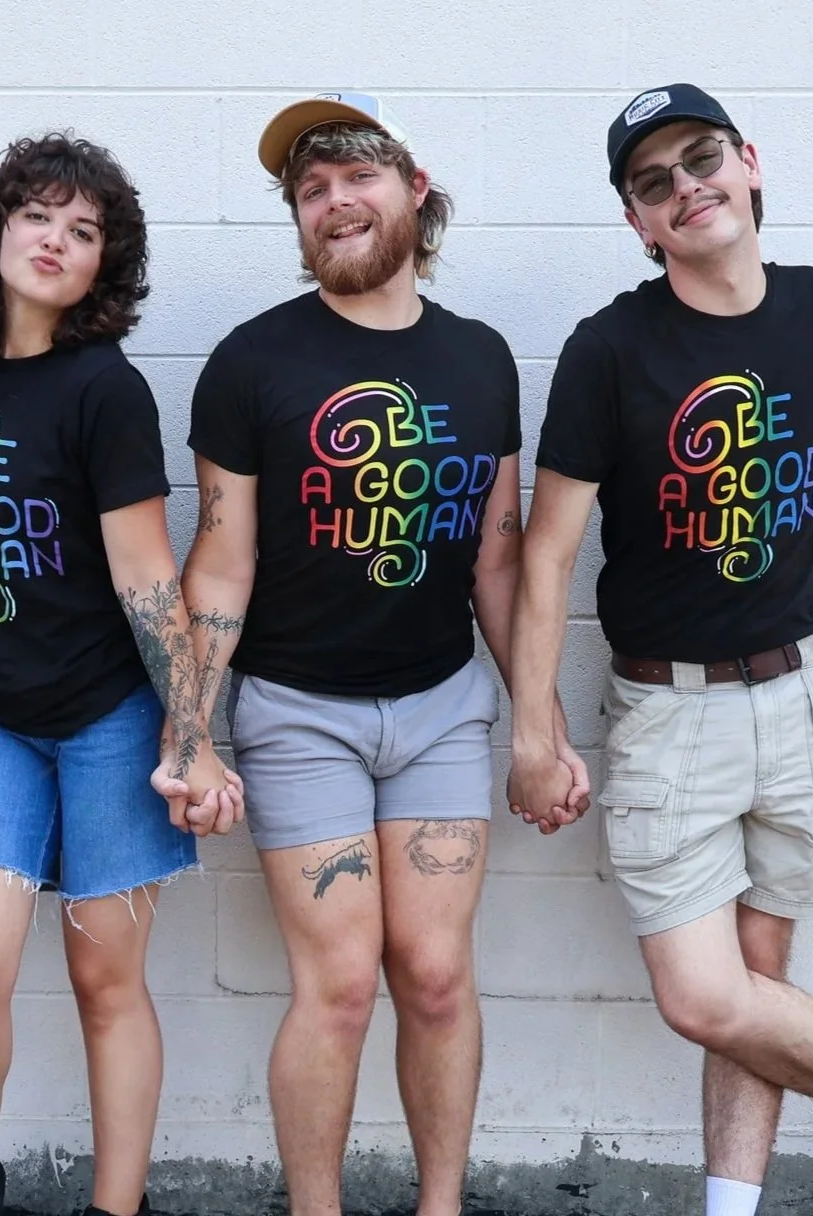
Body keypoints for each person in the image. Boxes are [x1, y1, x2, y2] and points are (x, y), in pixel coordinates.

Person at [506, 84, 813, 1216]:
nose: (686, 187)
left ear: (748, 162)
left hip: (804, 695)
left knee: (757, 985)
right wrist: (536, 726)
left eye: (701, 158)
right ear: (638, 221)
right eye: (653, 181)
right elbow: (543, 556)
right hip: (667, 714)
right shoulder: (610, 349)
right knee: (702, 996)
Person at [172, 93, 581, 1216]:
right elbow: (217, 565)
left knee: (437, 978)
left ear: (414, 191)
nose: (333, 202)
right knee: (342, 984)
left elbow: (496, 563)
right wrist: (189, 731)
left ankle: (438, 1205)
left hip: (441, 707)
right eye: (310, 191)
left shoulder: (481, 359)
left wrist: (536, 727)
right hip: (298, 714)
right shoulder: (251, 362)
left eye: (357, 176)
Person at [0, 132, 234, 1216]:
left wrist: (191, 733)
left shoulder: (103, 391)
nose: (56, 241)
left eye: (83, 231)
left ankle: (119, 1208)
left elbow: (146, 578)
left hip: (110, 721)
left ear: (101, 266)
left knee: (103, 982)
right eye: (39, 217)